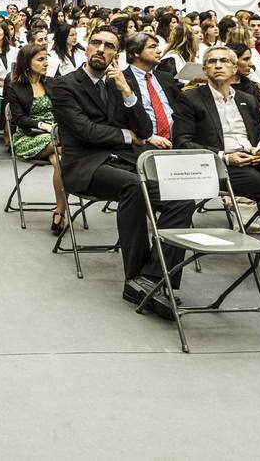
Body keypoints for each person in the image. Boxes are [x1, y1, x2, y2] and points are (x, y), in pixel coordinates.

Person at [49, 26, 195, 318]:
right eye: (96, 43)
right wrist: (128, 136)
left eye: (109, 46)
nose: (101, 49)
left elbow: (144, 129)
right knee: (134, 187)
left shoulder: (119, 83)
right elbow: (85, 131)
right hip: (85, 166)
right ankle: (134, 279)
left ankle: (152, 278)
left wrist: (128, 93)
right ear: (87, 48)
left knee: (182, 197)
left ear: (117, 54)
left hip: (124, 161)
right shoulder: (65, 85)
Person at [171, 46, 260, 299]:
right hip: (222, 164)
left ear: (235, 69)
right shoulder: (190, 99)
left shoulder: (248, 100)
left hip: (255, 158)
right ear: (204, 70)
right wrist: (225, 155)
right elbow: (182, 142)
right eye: (212, 62)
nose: (218, 65)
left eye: (225, 61)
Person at [4, 43, 65, 233]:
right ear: (27, 63)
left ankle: (60, 212)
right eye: (40, 60)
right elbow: (19, 119)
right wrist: (44, 126)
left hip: (55, 137)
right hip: (29, 137)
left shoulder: (52, 83)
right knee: (67, 148)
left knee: (60, 162)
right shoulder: (15, 87)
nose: (46, 63)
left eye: (46, 59)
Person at [122, 33, 181, 145]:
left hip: (176, 139)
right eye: (152, 47)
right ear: (136, 52)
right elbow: (122, 119)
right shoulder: (122, 80)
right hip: (144, 142)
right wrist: (149, 137)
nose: (159, 51)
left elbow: (180, 107)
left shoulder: (166, 77)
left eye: (157, 46)